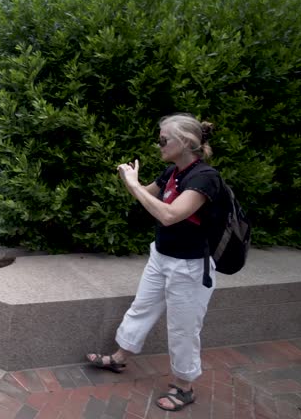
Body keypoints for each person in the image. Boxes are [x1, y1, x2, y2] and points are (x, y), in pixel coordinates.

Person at [86, 113, 221, 413]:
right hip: (161, 257)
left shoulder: (205, 178)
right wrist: (129, 181)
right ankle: (121, 357)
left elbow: (169, 215)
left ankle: (185, 387)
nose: (157, 144)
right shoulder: (172, 172)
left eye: (162, 139)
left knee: (183, 328)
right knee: (142, 308)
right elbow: (145, 198)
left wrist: (134, 185)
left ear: (185, 142)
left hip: (190, 267)